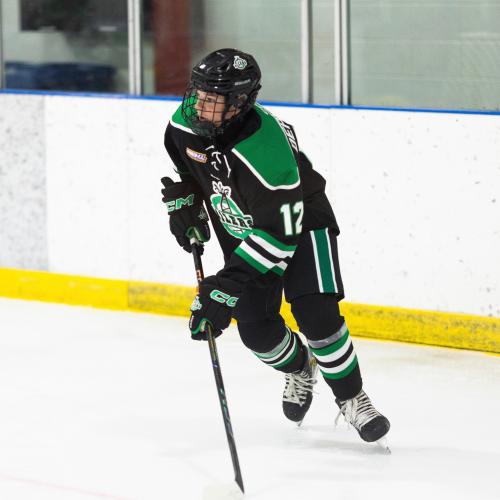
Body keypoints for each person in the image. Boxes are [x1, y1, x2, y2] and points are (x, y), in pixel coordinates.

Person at [161, 48, 390, 443]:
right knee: (256, 332)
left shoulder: (265, 150)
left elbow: (280, 235)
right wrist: (186, 204)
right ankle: (301, 367)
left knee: (317, 316)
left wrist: (225, 284)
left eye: (213, 99)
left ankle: (352, 396)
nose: (199, 105)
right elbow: (190, 172)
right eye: (198, 93)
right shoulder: (182, 125)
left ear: (240, 103)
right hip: (243, 226)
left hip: (300, 223)